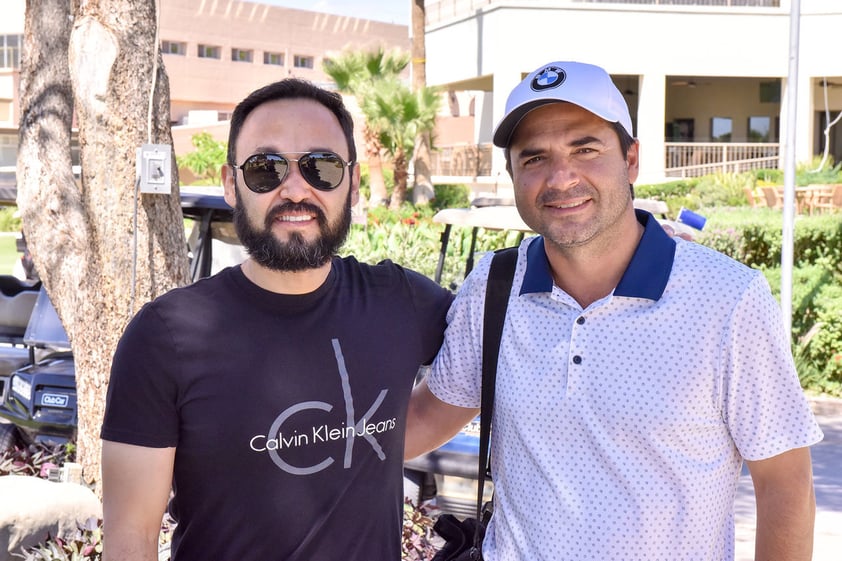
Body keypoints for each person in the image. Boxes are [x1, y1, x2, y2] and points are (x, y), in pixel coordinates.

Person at [406, 61, 824, 561]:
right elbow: (425, 419)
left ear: (630, 160)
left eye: (585, 149)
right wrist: (303, 434)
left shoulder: (728, 299)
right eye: (534, 158)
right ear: (512, 174)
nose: (561, 178)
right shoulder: (494, 286)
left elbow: (785, 485)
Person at [100, 78, 453, 561]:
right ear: (230, 183)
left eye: (321, 167)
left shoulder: (401, 301)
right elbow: (131, 538)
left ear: (351, 184)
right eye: (266, 168)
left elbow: (487, 354)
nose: (295, 189)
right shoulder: (165, 336)